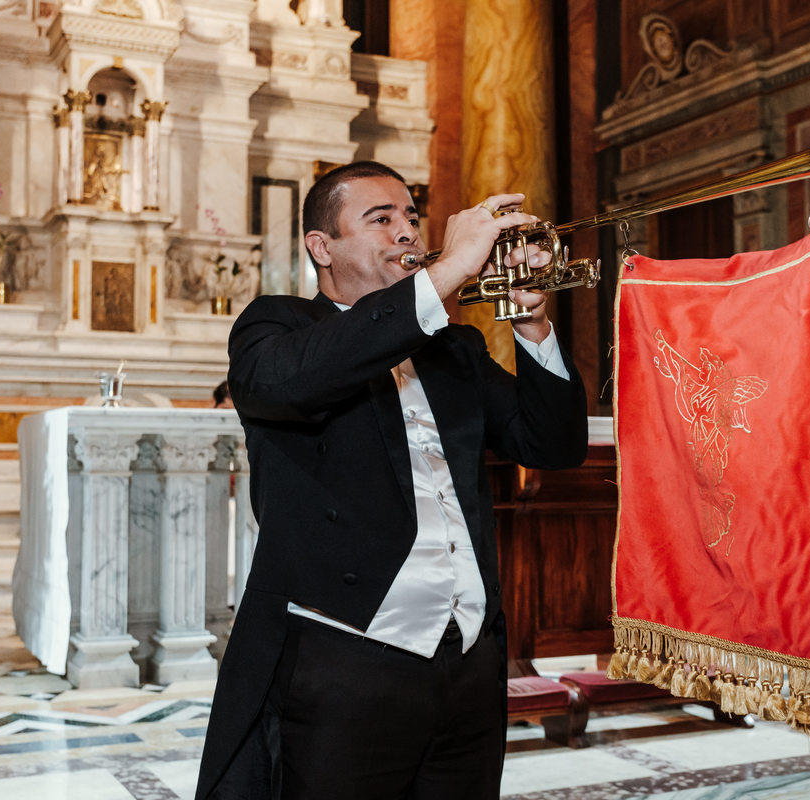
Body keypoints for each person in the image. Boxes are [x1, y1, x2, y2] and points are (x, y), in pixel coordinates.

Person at [195, 161, 588, 800]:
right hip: (345, 664)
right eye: (380, 220)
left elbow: (553, 444)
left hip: (468, 660)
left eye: (411, 217)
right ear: (322, 247)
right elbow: (300, 379)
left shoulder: (455, 349)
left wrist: (533, 325)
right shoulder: (278, 327)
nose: (407, 232)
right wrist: (448, 272)